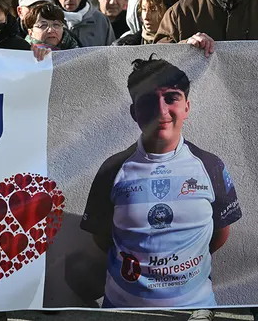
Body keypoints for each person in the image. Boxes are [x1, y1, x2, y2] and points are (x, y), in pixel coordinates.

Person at [80, 55, 241, 313]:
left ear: (187, 106)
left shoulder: (210, 166)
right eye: (147, 101)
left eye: (171, 98)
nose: (161, 111)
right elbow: (102, 238)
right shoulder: (112, 170)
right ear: (134, 112)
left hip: (194, 312)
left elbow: (219, 235)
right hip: (123, 311)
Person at [115, 0, 180, 46]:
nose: (146, 17)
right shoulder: (123, 46)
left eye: (153, 10)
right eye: (144, 9)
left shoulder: (185, 43)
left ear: (170, 11)